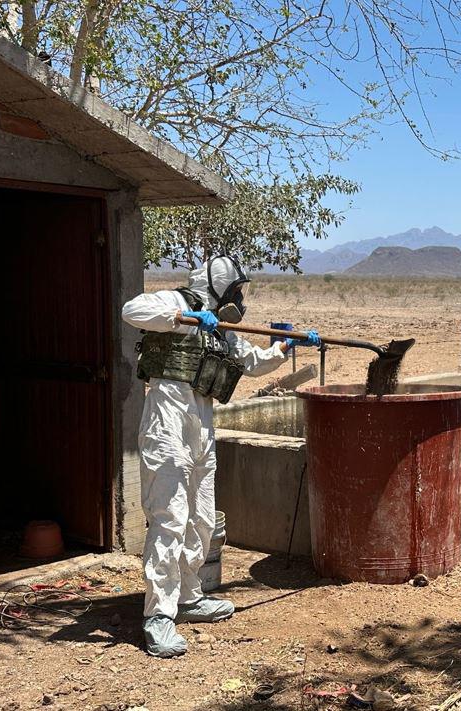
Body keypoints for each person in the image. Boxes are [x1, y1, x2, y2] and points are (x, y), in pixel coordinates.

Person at [122, 255, 320, 657]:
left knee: (202, 517)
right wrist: (183, 316)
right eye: (236, 291)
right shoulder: (173, 302)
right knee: (170, 516)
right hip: (167, 418)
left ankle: (189, 598)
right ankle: (158, 615)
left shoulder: (222, 330)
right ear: (220, 286)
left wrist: (287, 346)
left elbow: (253, 362)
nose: (240, 299)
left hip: (201, 420)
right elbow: (132, 310)